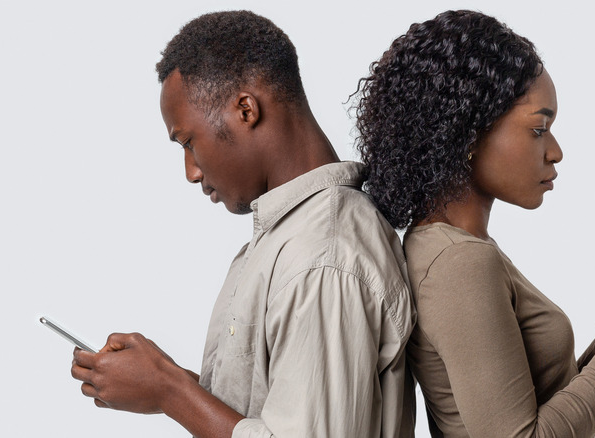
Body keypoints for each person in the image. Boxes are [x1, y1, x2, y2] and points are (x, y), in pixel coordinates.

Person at [354, 10, 595, 438]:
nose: (556, 151)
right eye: (538, 129)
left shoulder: (456, 247)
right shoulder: (458, 263)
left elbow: (552, 408)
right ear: (468, 133)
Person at [70, 10, 415, 438]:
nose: (191, 172)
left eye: (189, 142)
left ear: (246, 109)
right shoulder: (291, 238)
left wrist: (169, 391)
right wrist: (159, 379)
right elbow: (275, 412)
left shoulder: (323, 255)